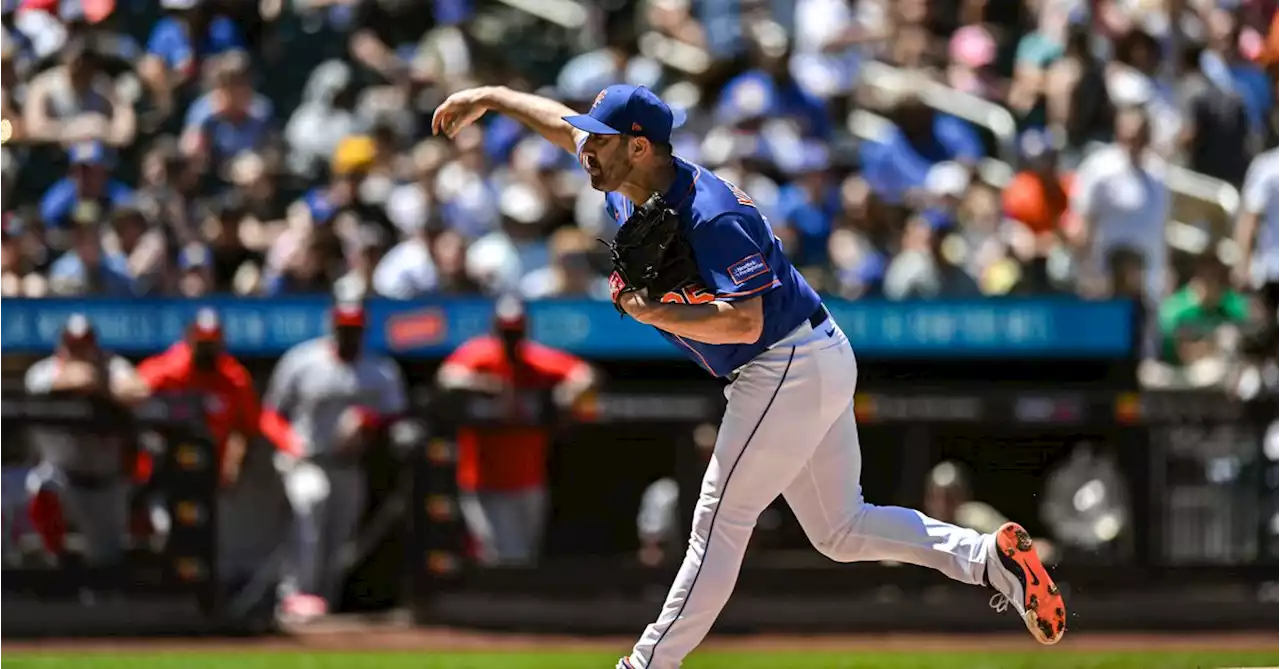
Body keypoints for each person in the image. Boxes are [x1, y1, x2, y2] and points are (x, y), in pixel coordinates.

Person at [432, 83, 1068, 667]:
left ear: (639, 145)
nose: (585, 149)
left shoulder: (710, 214)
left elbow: (743, 321)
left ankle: (646, 664)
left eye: (598, 139)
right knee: (842, 530)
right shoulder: (629, 177)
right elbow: (556, 125)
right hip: (811, 357)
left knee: (719, 521)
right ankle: (986, 560)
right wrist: (493, 96)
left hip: (783, 361)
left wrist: (651, 310)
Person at [259, 299, 408, 622]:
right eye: (343, 328)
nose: (348, 336)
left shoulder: (379, 369)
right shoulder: (302, 361)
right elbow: (270, 414)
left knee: (340, 537)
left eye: (354, 330)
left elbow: (396, 414)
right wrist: (289, 442)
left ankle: (324, 602)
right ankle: (294, 595)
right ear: (332, 326)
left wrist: (368, 422)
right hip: (306, 459)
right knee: (312, 505)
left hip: (349, 465)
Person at [436, 295, 597, 566]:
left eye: (516, 331)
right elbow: (447, 377)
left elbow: (586, 375)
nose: (511, 338)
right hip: (483, 479)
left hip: (528, 477)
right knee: (496, 555)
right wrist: (487, 385)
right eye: (506, 331)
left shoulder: (534, 359)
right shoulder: (480, 355)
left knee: (524, 557)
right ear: (495, 328)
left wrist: (568, 394)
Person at [136, 308, 270, 590]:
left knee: (213, 545)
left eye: (213, 343)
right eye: (202, 343)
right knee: (166, 535)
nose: (208, 350)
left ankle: (207, 603)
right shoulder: (169, 369)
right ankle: (163, 599)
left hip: (210, 477)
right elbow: (130, 392)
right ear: (190, 340)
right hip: (165, 476)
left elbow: (246, 428)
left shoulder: (233, 377)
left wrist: (233, 462)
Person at [22, 313, 149, 567]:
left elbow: (139, 390)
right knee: (40, 485)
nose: (79, 350)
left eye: (84, 343)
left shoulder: (112, 366)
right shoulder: (43, 371)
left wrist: (101, 386)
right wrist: (100, 387)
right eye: (73, 344)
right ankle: (55, 554)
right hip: (63, 476)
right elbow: (63, 382)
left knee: (106, 562)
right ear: (62, 344)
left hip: (106, 483)